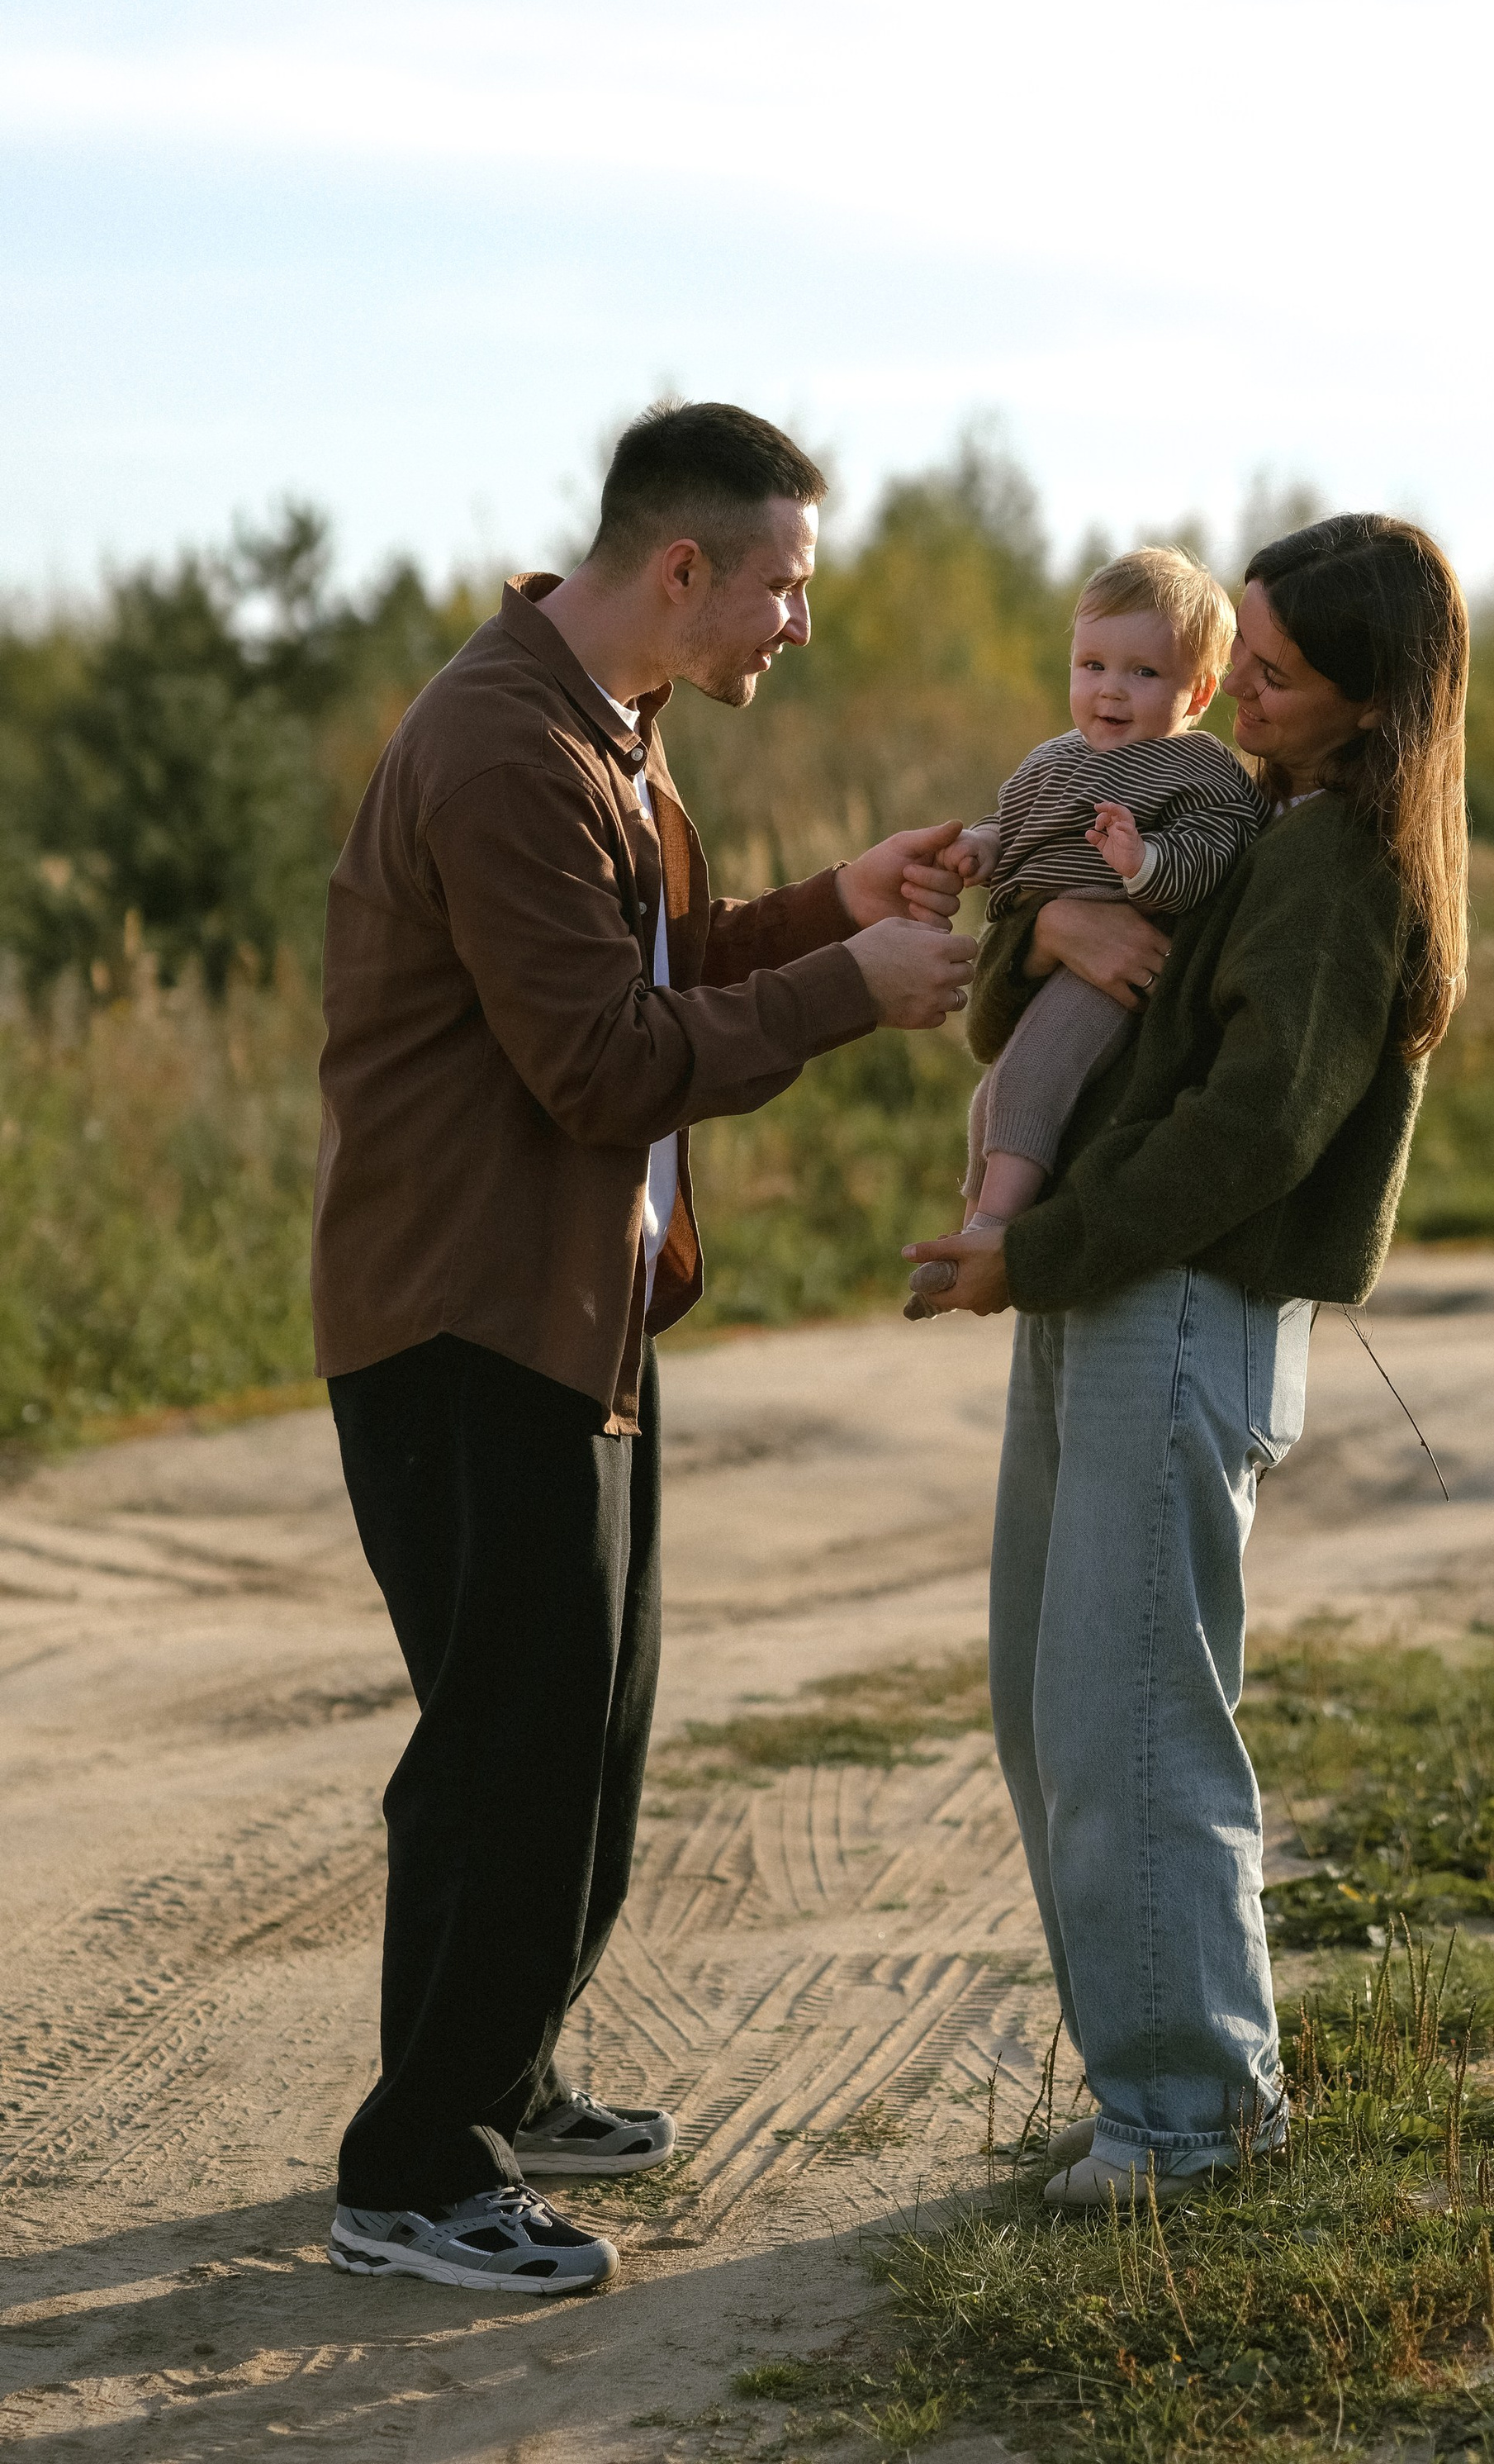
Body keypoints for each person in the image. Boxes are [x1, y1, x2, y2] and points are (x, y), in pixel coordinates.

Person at [311, 400, 976, 2296]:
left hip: (572, 1305)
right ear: (681, 567)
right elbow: (600, 1064)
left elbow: (651, 973)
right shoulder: (502, 750)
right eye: (784, 586)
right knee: (507, 1743)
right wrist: (847, 990)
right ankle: (414, 2168)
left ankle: (500, 2075)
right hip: (465, 1315)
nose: (798, 624)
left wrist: (831, 908)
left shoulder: (606, 721)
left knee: (587, 1725)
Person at [904, 513, 1468, 2206]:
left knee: (1132, 1720)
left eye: (1279, 675)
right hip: (1098, 1293)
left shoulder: (1342, 860)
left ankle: (1192, 2120)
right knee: (1050, 1709)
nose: (1246, 696)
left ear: (1372, 698)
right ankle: (1146, 2097)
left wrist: (1039, 1250)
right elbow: (1048, 1003)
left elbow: (1252, 1132)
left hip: (1172, 1304)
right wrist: (1042, 937)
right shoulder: (1243, 821)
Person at [904, 547, 1266, 1316]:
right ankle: (973, 1229)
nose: (1111, 690)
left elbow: (1212, 853)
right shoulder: (1055, 761)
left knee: (1035, 1074)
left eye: (1145, 673)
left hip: (1124, 964)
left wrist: (1145, 862)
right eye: (1093, 665)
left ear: (1201, 692)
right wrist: (982, 847)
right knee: (993, 1096)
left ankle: (996, 1229)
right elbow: (1013, 824)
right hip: (1064, 959)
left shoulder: (1199, 770)